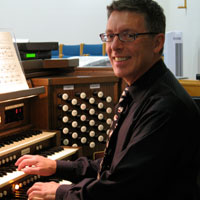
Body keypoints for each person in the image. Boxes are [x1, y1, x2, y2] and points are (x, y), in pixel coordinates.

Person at [15, 0, 200, 199]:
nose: (114, 46)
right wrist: (56, 166)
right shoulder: (141, 90)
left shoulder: (165, 108)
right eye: (110, 36)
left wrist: (60, 192)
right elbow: (112, 166)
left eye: (128, 35)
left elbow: (120, 189)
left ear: (157, 42)